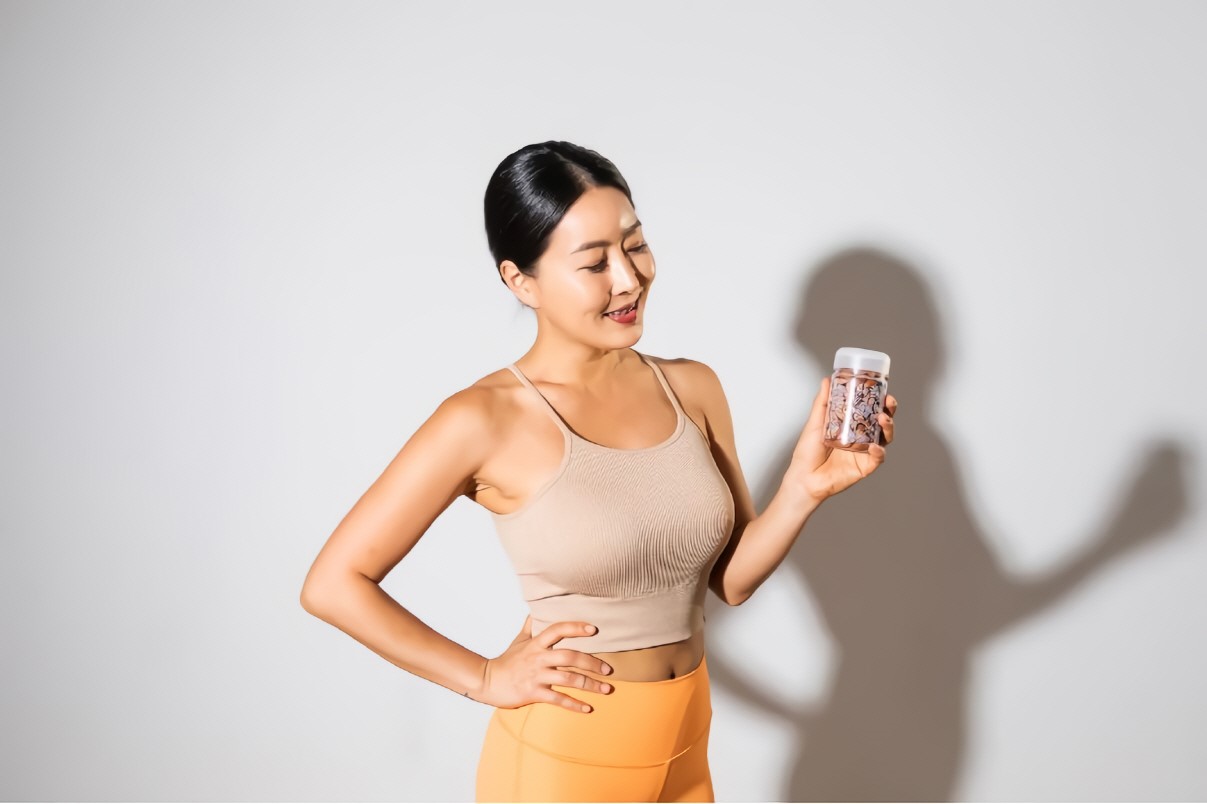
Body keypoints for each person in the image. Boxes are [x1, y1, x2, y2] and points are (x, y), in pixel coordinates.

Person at [299, 140, 897, 802]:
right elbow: (333, 583)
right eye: (593, 263)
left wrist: (803, 489)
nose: (628, 278)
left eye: (634, 245)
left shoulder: (691, 388)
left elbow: (727, 583)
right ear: (519, 281)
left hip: (685, 749)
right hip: (567, 758)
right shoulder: (483, 418)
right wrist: (485, 678)